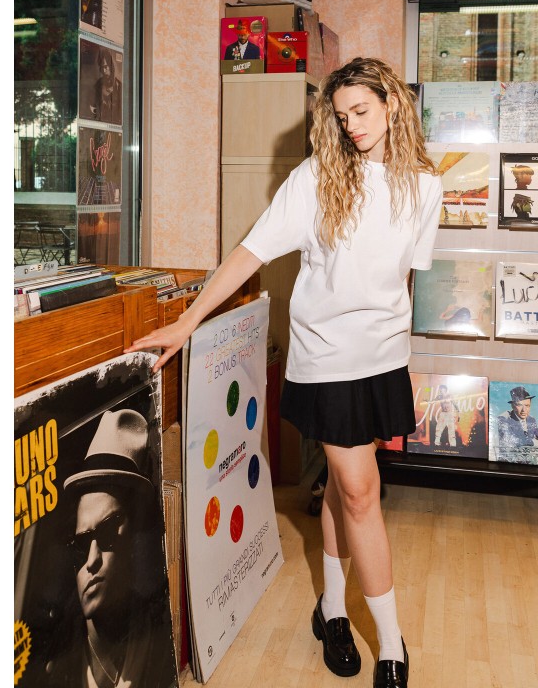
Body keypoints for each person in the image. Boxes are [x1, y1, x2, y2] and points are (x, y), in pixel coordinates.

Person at [125, 56, 443, 688]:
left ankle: (331, 608)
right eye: (341, 116)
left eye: (362, 111)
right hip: (327, 355)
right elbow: (250, 251)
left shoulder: (425, 187)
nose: (351, 125)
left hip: (383, 358)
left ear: (392, 105)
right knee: (361, 492)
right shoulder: (316, 178)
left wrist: (399, 348)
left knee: (346, 489)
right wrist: (188, 321)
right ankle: (392, 642)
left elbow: (403, 276)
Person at [45, 408, 177, 687]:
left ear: (135, 538)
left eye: (107, 533)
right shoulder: (53, 662)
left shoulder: (163, 635)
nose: (92, 560)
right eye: (81, 543)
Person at [495, 386, 538, 465]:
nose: (524, 410)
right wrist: (535, 443)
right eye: (519, 405)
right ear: (513, 406)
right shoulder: (503, 418)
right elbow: (510, 441)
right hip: (509, 463)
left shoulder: (531, 420)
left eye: (527, 405)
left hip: (529, 462)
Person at [90, 47, 122, 125]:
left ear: (111, 66)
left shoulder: (120, 86)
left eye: (105, 67)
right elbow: (92, 111)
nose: (104, 71)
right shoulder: (97, 86)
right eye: (101, 68)